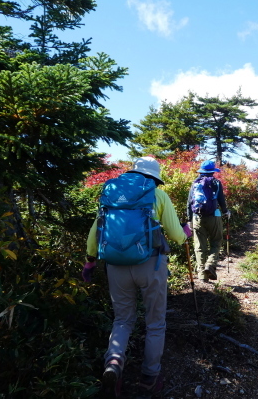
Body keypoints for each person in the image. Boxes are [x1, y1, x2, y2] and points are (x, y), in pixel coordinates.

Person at [81, 157, 191, 398]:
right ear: (154, 177)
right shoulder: (158, 195)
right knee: (155, 322)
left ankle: (113, 364)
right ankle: (150, 378)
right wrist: (185, 233)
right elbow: (175, 234)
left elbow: (95, 231)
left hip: (115, 266)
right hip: (150, 265)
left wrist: (90, 261)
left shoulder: (110, 193)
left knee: (122, 320)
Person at [186, 159, 230, 282]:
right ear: (213, 171)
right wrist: (226, 211)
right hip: (214, 216)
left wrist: (189, 219)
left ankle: (202, 275)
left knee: (199, 246)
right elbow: (221, 200)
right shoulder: (216, 182)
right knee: (216, 241)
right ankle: (210, 265)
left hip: (197, 217)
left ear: (201, 171)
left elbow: (189, 202)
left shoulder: (195, 183)